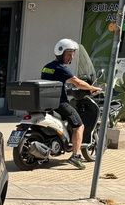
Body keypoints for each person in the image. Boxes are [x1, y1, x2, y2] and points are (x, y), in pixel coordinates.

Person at [41, 39, 102, 169]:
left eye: (73, 54)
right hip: (59, 103)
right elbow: (77, 82)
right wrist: (91, 88)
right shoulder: (62, 69)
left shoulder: (47, 67)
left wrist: (67, 89)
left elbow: (54, 84)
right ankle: (76, 156)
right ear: (61, 53)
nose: (72, 57)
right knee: (79, 125)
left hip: (46, 102)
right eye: (69, 54)